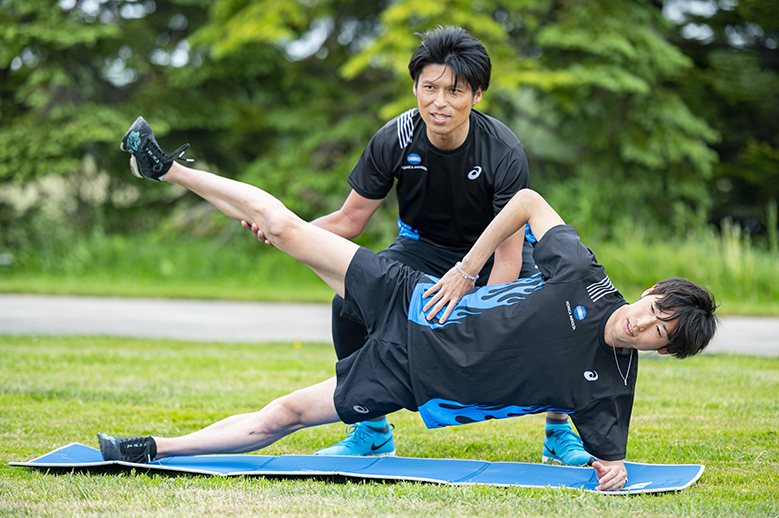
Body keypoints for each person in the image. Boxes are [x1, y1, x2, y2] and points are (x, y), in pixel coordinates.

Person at [100, 117, 719, 492]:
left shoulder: (610, 387)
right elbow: (528, 201)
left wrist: (611, 472)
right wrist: (468, 268)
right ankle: (167, 169)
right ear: (651, 293)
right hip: (416, 299)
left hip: (413, 373)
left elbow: (613, 460)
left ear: (662, 352)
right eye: (655, 311)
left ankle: (152, 448)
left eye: (658, 336)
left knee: (283, 414)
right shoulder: (585, 277)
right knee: (285, 228)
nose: (643, 326)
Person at [244, 25, 589, 464]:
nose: (440, 101)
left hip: (490, 253)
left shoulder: (503, 151)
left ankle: (559, 433)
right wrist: (286, 230)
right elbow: (350, 220)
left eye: (455, 91)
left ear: (477, 95)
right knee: (346, 305)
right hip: (420, 246)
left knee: (556, 316)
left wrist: (479, 317)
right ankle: (370, 430)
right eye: (430, 88)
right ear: (415, 87)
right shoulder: (395, 138)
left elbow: (506, 254)